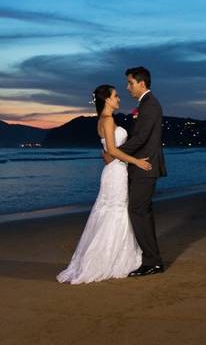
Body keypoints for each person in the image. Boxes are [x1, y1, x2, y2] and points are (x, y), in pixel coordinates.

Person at [56, 84, 152, 284]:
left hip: (115, 170)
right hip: (116, 173)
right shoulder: (107, 120)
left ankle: (115, 256)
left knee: (113, 211)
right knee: (115, 212)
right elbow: (112, 150)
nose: (119, 99)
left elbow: (108, 152)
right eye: (116, 96)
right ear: (107, 99)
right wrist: (137, 162)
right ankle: (109, 260)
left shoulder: (105, 120)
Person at [102, 66, 167, 276]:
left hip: (145, 165)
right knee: (141, 212)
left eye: (130, 83)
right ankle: (150, 259)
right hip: (140, 166)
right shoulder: (145, 104)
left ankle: (152, 261)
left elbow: (141, 138)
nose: (128, 87)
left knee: (138, 211)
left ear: (141, 83)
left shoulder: (150, 105)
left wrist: (114, 153)